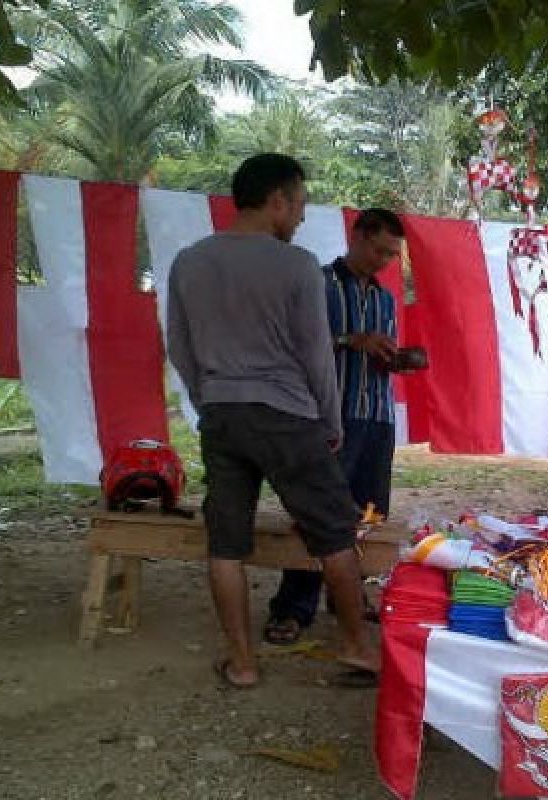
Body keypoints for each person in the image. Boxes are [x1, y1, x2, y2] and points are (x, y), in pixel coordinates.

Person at [166, 153, 379, 688]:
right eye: (300, 204)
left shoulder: (189, 261)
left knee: (226, 543)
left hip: (221, 414)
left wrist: (208, 399)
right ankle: (356, 647)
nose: (302, 217)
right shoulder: (298, 265)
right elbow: (316, 356)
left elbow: (180, 347)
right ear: (277, 200)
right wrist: (332, 421)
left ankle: (242, 663)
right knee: (335, 533)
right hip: (287, 414)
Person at [266, 209, 406, 646]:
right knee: (318, 514)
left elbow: (381, 355)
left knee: (367, 515)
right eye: (380, 249)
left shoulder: (384, 299)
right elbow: (291, 346)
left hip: (377, 417)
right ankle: (293, 607)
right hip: (330, 417)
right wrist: (351, 340)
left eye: (392, 254)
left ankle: (348, 595)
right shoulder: (318, 285)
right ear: (357, 236)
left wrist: (395, 359)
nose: (385, 260)